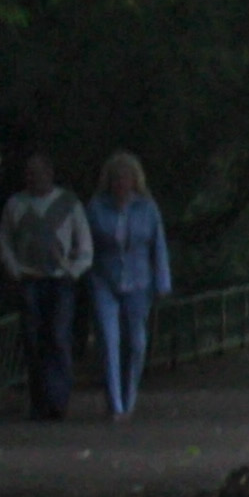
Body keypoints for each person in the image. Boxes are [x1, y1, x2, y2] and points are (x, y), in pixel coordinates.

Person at [0, 154, 93, 419]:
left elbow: (84, 244)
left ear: (50, 173)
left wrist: (73, 271)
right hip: (29, 279)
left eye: (38, 173)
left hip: (60, 280)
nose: (34, 178)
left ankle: (58, 400)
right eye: (29, 173)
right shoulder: (16, 205)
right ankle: (39, 400)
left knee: (59, 337)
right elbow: (5, 240)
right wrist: (14, 268)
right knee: (33, 339)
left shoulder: (68, 204)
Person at [85, 152, 174, 421]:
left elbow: (158, 246)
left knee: (136, 342)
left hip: (139, 281)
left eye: (126, 178)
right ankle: (116, 405)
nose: (121, 183)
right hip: (104, 280)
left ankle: (129, 395)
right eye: (116, 178)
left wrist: (162, 282)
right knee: (109, 339)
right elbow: (87, 244)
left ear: (135, 181)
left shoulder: (147, 208)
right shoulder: (96, 207)